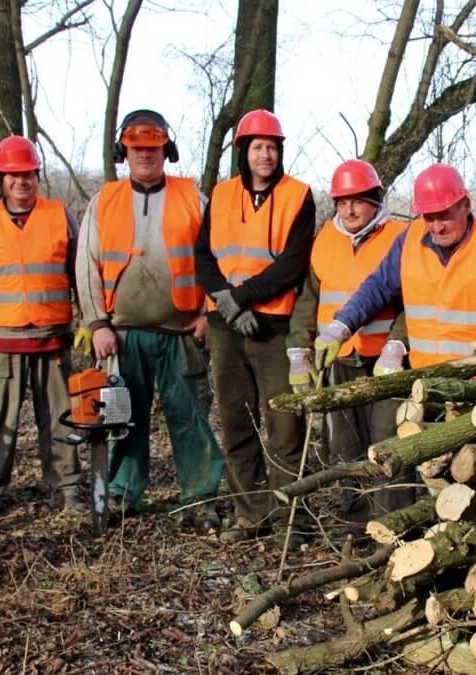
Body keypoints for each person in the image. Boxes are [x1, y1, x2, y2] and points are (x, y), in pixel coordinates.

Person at [76, 109, 224, 531]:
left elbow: (218, 257)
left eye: (153, 148)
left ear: (166, 151)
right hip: (122, 334)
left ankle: (200, 494)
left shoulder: (192, 196)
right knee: (123, 416)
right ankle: (123, 491)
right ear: (125, 151)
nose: (145, 155)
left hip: (181, 330)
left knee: (189, 415)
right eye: (137, 149)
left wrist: (208, 313)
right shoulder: (104, 200)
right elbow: (86, 264)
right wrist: (97, 323)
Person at [195, 109, 316, 545]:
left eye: (272, 147)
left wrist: (241, 297)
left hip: (274, 327)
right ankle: (251, 517)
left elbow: (292, 264)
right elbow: (203, 258)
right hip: (227, 328)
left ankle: (291, 524)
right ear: (243, 152)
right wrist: (227, 305)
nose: (265, 155)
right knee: (236, 422)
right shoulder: (222, 195)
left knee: (284, 426)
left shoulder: (298, 195)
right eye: (257, 147)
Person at [0, 136, 83, 527]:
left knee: (62, 417)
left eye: (27, 174)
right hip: (1, 343)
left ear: (36, 176)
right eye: (13, 176)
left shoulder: (59, 215)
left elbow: (80, 273)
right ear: (2, 178)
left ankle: (67, 491)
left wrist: (88, 321)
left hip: (52, 337)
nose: (21, 182)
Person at [286, 159, 414, 535]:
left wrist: (397, 344)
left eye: (359, 201)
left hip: (384, 362)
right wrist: (298, 350)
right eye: (343, 202)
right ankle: (353, 524)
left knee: (387, 444)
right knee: (344, 446)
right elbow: (308, 300)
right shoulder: (324, 240)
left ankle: (392, 524)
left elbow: (414, 299)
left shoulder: (399, 237)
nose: (351, 210)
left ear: (375, 199)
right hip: (338, 358)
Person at [317, 163, 476, 372]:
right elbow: (377, 287)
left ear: (466, 205)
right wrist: (341, 326)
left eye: (444, 216)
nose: (437, 227)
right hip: (422, 376)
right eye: (429, 218)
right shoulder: (409, 238)